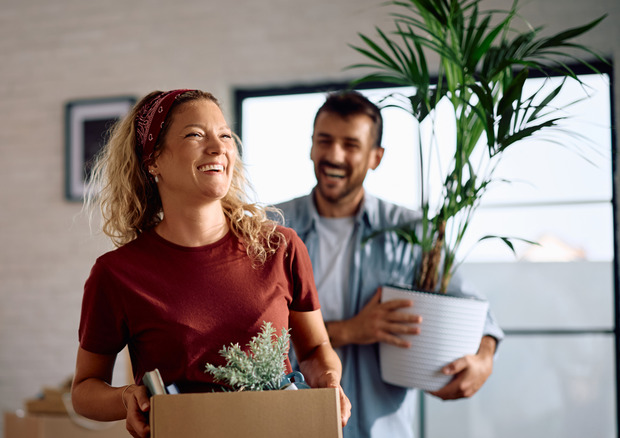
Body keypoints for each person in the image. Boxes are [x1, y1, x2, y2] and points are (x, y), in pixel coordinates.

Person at [71, 89, 351, 438]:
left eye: (224, 135)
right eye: (194, 135)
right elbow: (84, 389)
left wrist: (328, 380)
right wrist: (127, 396)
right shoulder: (116, 274)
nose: (218, 148)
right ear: (153, 160)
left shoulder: (281, 247)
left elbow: (313, 348)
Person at [276, 90, 504, 438]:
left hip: (383, 429)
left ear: (375, 157)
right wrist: (352, 329)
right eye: (325, 141)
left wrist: (483, 359)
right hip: (291, 425)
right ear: (311, 146)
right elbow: (251, 332)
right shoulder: (271, 229)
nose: (334, 155)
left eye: (351, 145)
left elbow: (480, 317)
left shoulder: (412, 232)